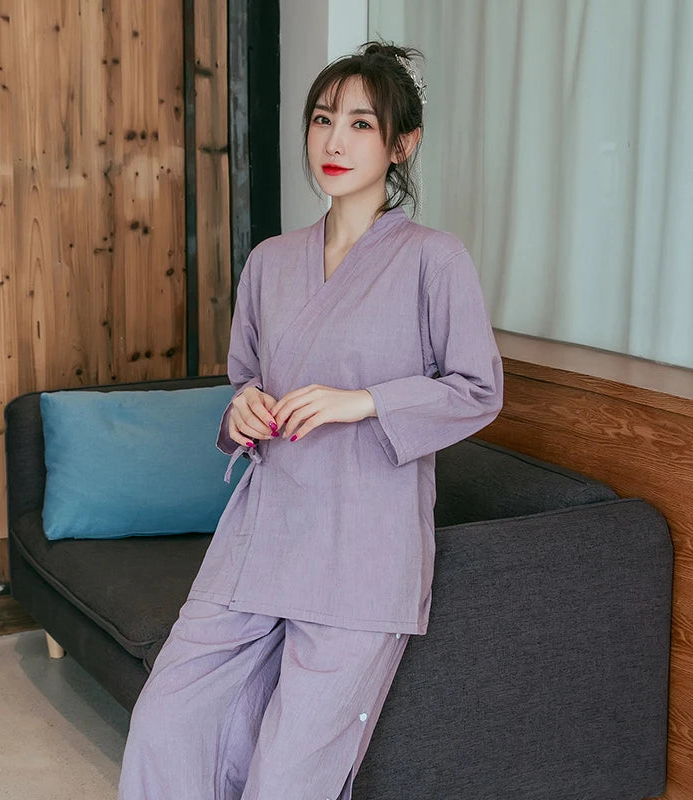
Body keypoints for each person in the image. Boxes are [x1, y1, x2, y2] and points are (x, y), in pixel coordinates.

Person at [118, 40, 503, 800]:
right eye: (323, 119)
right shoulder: (269, 261)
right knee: (168, 720)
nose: (334, 140)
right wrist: (243, 408)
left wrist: (364, 400)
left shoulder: (435, 259)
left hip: (363, 547)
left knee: (289, 775)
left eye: (361, 124)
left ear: (402, 145)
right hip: (262, 533)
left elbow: (476, 388)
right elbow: (245, 381)